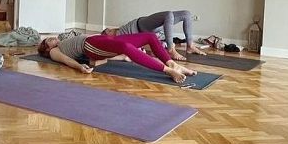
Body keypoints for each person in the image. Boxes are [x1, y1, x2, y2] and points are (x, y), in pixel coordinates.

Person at [37, 32, 197, 83]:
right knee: (126, 48)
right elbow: (67, 61)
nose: (50, 39)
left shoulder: (63, 40)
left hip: (99, 39)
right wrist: (79, 67)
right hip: (90, 46)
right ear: (47, 48)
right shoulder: (54, 52)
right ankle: (167, 70)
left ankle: (172, 63)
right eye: (47, 41)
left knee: (150, 36)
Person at [103, 10, 205, 61]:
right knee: (168, 14)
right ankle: (171, 49)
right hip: (141, 28)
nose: (109, 29)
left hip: (145, 24)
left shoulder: (120, 30)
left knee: (186, 14)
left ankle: (190, 46)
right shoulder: (117, 37)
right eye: (107, 31)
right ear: (107, 34)